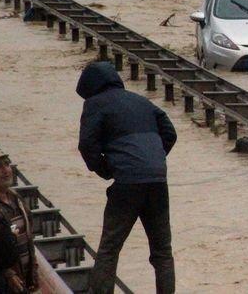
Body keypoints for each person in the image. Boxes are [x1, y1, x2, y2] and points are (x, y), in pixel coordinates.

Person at [76, 61, 177, 294]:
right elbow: (170, 133)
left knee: (109, 249)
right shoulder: (142, 101)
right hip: (157, 181)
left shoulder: (94, 104)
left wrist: (107, 169)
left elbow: (87, 145)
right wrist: (154, 159)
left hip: (127, 184)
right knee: (162, 251)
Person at [0, 149, 38, 294]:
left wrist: (33, 272)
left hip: (24, 279)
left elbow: (29, 239)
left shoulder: (17, 199)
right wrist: (8, 273)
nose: (5, 170)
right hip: (2, 283)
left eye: (6, 164)